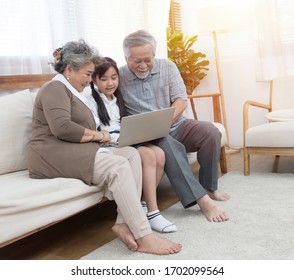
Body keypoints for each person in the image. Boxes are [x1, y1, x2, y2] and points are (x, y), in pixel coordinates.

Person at [27, 39, 181, 255]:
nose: (90, 79)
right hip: (51, 153)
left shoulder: (73, 91)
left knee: (131, 155)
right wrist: (99, 135)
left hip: (72, 148)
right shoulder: (54, 88)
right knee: (117, 165)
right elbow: (62, 128)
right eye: (88, 74)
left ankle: (122, 223)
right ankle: (144, 235)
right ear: (70, 69)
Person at [119, 30, 230, 223]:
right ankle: (202, 200)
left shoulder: (168, 67)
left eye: (148, 59)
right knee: (168, 144)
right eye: (137, 61)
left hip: (177, 124)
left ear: (154, 54)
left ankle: (208, 187)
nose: (143, 65)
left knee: (210, 132)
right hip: (148, 135)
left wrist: (165, 121)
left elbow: (180, 100)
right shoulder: (119, 76)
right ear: (126, 57)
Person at [88, 57, 177, 233]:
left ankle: (143, 204)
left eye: (114, 77)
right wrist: (120, 138)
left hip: (125, 139)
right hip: (109, 145)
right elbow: (100, 133)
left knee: (159, 153)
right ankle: (153, 212)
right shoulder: (91, 100)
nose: (110, 83)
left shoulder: (116, 98)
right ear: (94, 79)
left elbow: (123, 124)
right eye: (104, 79)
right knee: (149, 155)